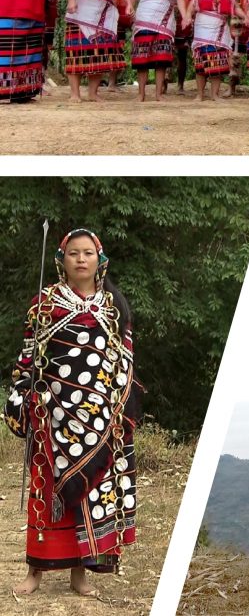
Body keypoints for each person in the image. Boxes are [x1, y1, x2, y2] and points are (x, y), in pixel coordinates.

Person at [9, 230, 138, 595]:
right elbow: (29, 358)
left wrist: (119, 412)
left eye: (88, 253)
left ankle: (79, 574)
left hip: (100, 419)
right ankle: (35, 571)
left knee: (90, 493)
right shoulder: (44, 304)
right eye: (73, 253)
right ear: (61, 259)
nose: (81, 260)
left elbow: (124, 364)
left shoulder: (115, 308)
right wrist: (22, 398)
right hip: (53, 417)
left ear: (100, 260)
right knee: (47, 494)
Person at [182, 0, 236, 100]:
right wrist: (187, 17)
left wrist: (245, 16)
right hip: (203, 27)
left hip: (220, 27)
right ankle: (199, 94)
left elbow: (235, 7)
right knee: (201, 62)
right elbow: (192, 6)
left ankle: (215, 94)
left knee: (218, 61)